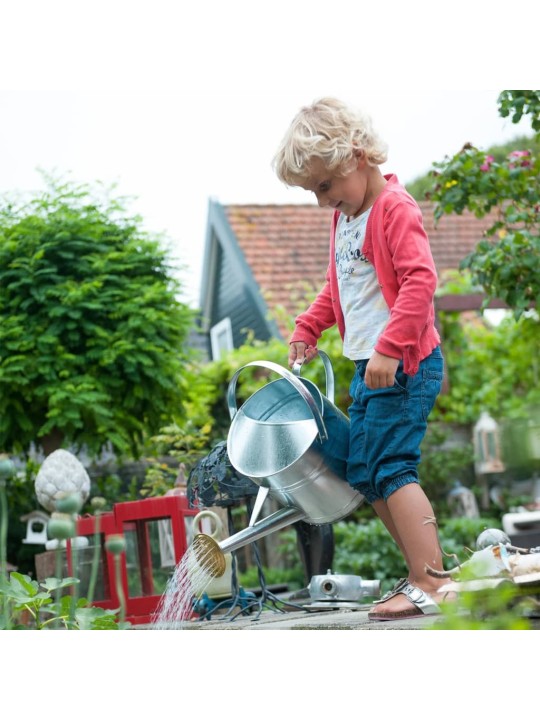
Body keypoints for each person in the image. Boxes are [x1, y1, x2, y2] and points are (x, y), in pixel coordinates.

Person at [272, 97, 451, 621]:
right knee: (364, 472)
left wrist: (390, 349)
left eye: (325, 186)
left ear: (355, 155)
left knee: (393, 467)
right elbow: (341, 288)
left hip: (405, 365)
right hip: (369, 368)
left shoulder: (393, 209)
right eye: (314, 192)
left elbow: (421, 283)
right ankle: (422, 573)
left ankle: (431, 581)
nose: (322, 201)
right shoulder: (346, 220)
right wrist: (308, 326)